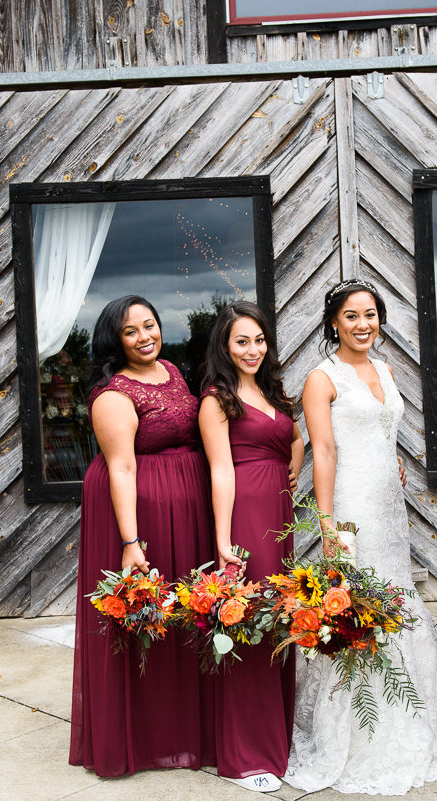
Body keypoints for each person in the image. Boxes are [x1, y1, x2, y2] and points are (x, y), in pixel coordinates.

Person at [285, 279, 437, 795]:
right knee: (358, 608)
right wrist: (328, 525)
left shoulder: (386, 369)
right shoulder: (321, 379)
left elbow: (382, 431)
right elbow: (324, 452)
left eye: (370, 314)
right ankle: (356, 735)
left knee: (396, 600)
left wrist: (389, 459)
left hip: (390, 508)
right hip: (351, 508)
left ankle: (418, 722)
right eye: (351, 316)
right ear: (333, 323)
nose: (363, 324)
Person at [68, 295, 215, 776]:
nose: (145, 336)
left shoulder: (172, 371)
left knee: (185, 615)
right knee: (146, 617)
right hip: (140, 515)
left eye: (149, 325)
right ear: (115, 339)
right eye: (131, 331)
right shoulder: (113, 394)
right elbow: (122, 465)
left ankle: (184, 728)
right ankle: (143, 736)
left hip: (184, 508)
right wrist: (131, 543)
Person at [197, 301, 304, 794]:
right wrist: (223, 540)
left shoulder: (270, 391)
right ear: (224, 345)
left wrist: (293, 468)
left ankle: (275, 737)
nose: (253, 349)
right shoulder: (217, 400)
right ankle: (246, 753)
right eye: (242, 341)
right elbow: (220, 470)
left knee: (279, 618)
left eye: (259, 340)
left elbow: (295, 439)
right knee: (250, 623)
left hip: (278, 518)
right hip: (245, 514)